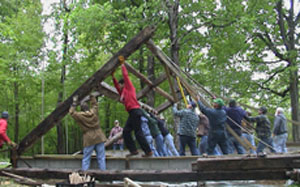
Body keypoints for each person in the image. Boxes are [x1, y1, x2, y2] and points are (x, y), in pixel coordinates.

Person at [112, 56, 152, 157]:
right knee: (126, 132)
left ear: (123, 84)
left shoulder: (129, 87)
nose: (119, 87)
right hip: (132, 112)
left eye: (120, 85)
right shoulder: (122, 92)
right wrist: (113, 76)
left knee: (138, 133)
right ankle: (134, 151)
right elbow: (117, 87)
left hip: (135, 110)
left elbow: (126, 76)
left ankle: (148, 151)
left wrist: (122, 65)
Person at [69, 94, 107, 171]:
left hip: (89, 138)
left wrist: (74, 102)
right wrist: (92, 96)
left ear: (81, 109)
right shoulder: (94, 112)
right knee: (101, 158)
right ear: (88, 108)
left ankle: (85, 177)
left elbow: (72, 112)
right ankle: (104, 176)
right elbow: (95, 105)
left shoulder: (80, 115)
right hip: (99, 136)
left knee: (86, 158)